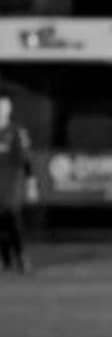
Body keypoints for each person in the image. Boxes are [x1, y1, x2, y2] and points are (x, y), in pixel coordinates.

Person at [0, 90, 38, 273]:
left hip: (11, 180)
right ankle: (5, 258)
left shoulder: (16, 132)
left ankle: (21, 257)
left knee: (12, 217)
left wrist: (31, 182)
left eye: (3, 107)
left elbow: (25, 159)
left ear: (9, 110)